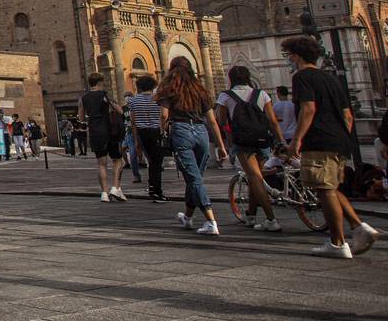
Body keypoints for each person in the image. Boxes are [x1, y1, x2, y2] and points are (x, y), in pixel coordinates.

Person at [283, 36, 380, 258]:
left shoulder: (302, 77)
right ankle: (360, 227)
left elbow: (308, 109)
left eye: (288, 55)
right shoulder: (330, 79)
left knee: (324, 191)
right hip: (338, 141)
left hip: (318, 140)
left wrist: (296, 140)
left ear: (296, 56)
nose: (288, 59)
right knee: (331, 188)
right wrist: (341, 137)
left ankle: (338, 243)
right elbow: (347, 115)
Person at [156, 57, 228, 236]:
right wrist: (221, 146)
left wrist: (162, 132)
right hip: (201, 131)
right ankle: (187, 217)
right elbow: (212, 121)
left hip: (181, 131)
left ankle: (211, 221)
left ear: (172, 70)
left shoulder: (169, 89)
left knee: (194, 178)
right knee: (194, 177)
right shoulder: (201, 90)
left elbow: (164, 115)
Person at [217, 66, 285, 232]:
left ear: (230, 78)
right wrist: (281, 141)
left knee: (255, 178)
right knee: (256, 177)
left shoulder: (225, 96)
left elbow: (222, 120)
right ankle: (251, 214)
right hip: (263, 139)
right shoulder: (261, 94)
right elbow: (273, 121)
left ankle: (271, 219)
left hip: (243, 142)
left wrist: (228, 137)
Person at [81, 74, 127, 202]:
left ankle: (104, 193)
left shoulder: (83, 98)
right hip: (109, 131)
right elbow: (119, 110)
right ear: (100, 82)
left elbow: (81, 117)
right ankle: (115, 187)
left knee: (101, 164)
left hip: (95, 131)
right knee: (118, 160)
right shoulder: (104, 95)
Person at [125, 76, 167, 202]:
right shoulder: (158, 99)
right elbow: (164, 115)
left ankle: (152, 187)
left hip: (142, 133)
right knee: (157, 162)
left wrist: (136, 138)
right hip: (156, 132)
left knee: (150, 160)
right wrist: (163, 130)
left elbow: (132, 120)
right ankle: (157, 191)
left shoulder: (133, 101)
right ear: (153, 86)